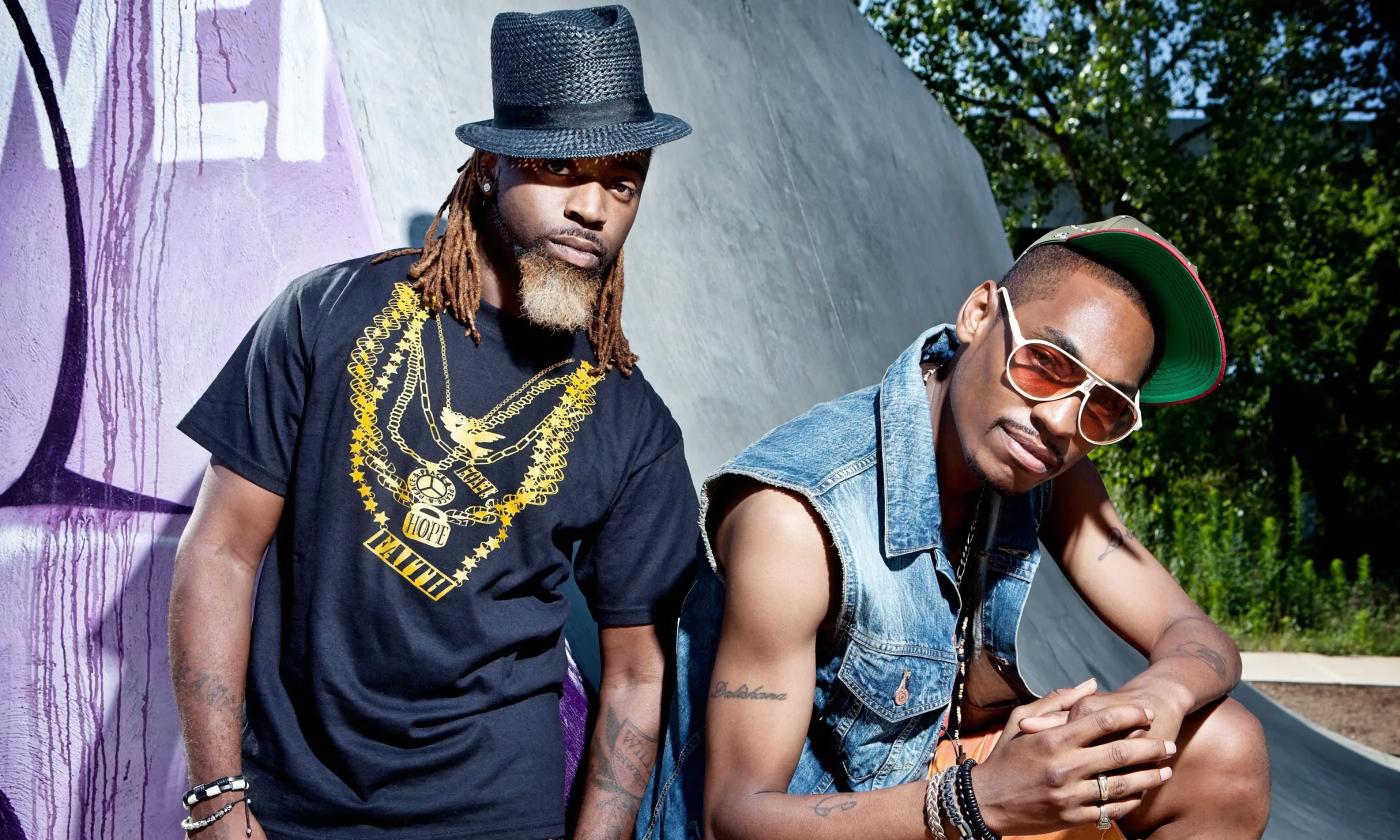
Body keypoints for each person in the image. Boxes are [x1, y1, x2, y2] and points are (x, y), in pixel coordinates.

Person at [170, 7, 698, 839]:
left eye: (623, 182)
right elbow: (222, 549)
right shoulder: (328, 314)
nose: (596, 208)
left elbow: (637, 673)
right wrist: (215, 800)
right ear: (490, 165)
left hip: (494, 818)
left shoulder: (633, 425)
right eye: (563, 168)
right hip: (287, 811)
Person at [637, 217, 1271, 840]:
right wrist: (979, 802)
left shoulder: (1045, 466)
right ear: (979, 314)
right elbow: (734, 818)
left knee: (1223, 751)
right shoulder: (797, 518)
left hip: (943, 784)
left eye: (1103, 407)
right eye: (1047, 364)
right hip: (838, 820)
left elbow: (1194, 636)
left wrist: (1158, 698)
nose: (1059, 420)